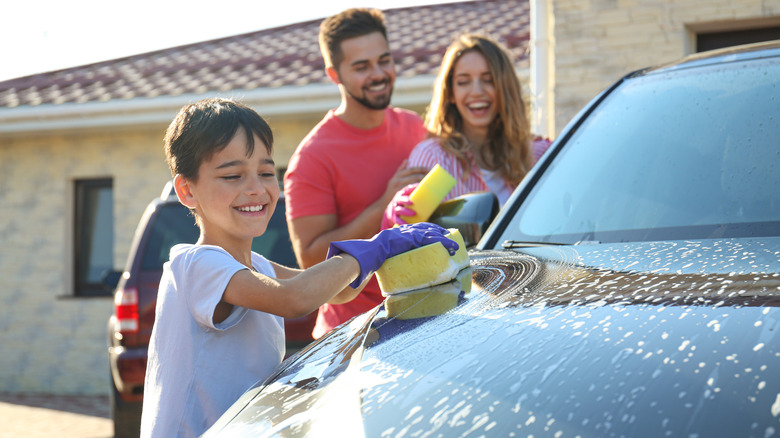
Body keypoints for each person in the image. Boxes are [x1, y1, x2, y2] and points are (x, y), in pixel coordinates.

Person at [139, 97, 457, 438]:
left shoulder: (256, 266)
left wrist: (393, 244)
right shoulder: (196, 264)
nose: (256, 189)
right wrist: (375, 247)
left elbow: (339, 290)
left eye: (265, 172)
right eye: (232, 175)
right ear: (186, 190)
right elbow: (295, 298)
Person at [284, 8, 429, 338]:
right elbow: (310, 261)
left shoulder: (414, 127)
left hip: (421, 316)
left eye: (384, 60)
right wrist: (384, 206)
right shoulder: (312, 157)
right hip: (351, 334)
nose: (379, 74)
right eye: (362, 67)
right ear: (335, 74)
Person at [383, 33, 553, 228]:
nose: (477, 91)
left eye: (488, 79)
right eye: (463, 82)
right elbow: (409, 237)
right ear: (451, 94)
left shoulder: (539, 155)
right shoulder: (432, 158)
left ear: (505, 88)